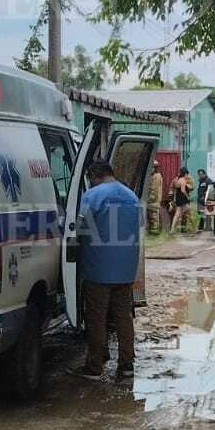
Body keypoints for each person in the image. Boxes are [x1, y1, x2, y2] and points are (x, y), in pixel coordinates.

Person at [76, 157, 141, 380]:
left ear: (94, 176)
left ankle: (95, 367)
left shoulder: (92, 196)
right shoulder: (131, 196)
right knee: (123, 317)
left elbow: (79, 228)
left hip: (98, 270)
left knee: (97, 318)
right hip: (125, 270)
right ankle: (126, 365)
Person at [170, 166, 193, 234]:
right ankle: (194, 228)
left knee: (177, 215)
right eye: (187, 174)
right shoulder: (183, 180)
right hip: (183, 199)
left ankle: (172, 230)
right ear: (185, 174)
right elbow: (183, 190)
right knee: (189, 213)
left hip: (178, 198)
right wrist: (187, 196)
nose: (187, 175)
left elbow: (174, 188)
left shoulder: (177, 179)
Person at [146, 164, 164, 235]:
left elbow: (154, 190)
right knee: (152, 216)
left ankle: (154, 232)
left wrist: (149, 199)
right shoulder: (153, 176)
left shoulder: (156, 177)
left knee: (154, 216)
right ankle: (153, 231)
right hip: (153, 201)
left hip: (154, 201)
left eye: (152, 167)